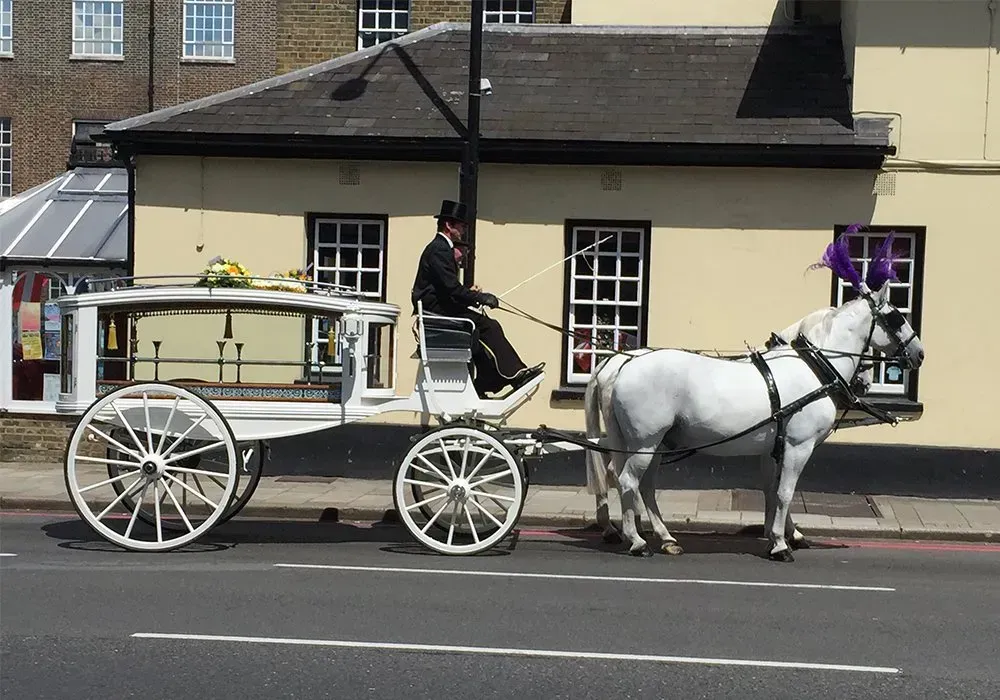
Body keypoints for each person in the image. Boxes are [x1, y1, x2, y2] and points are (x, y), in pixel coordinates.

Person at [411, 199, 544, 397]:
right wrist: (480, 297)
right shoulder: (439, 249)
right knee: (488, 326)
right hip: (436, 312)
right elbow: (451, 289)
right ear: (449, 225)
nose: (463, 230)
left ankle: (490, 377)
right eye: (461, 226)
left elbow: (447, 289)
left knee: (480, 329)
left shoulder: (440, 248)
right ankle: (514, 374)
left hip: (439, 307)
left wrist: (474, 296)